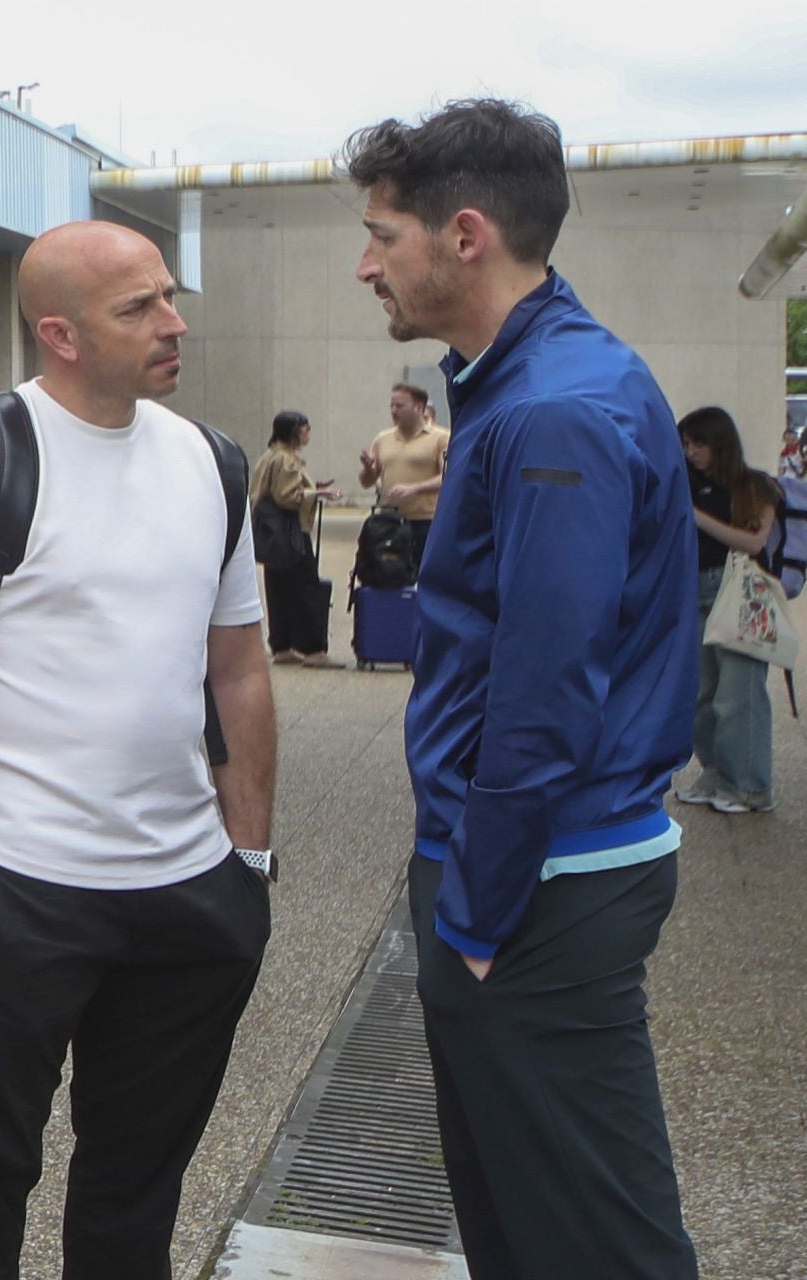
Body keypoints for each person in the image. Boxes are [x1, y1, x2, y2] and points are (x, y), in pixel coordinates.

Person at [0, 219, 274, 1279]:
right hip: (24, 890)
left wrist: (251, 860)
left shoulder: (212, 461)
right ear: (57, 332)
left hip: (190, 896)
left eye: (167, 297)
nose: (172, 323)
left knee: (135, 1193)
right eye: (137, 307)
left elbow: (239, 668)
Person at [349, 99, 699, 1280]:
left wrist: (482, 914)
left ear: (461, 235)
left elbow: (546, 687)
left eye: (379, 234)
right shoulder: (515, 381)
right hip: (529, 874)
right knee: (524, 1224)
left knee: (597, 1240)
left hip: (541, 886)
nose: (364, 265)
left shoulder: (553, 405)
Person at [674, 406, 778, 814]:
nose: (691, 452)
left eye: (698, 444)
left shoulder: (755, 486)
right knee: (704, 694)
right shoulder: (684, 481)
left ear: (720, 443)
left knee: (740, 695)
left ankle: (751, 786)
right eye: (685, 444)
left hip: (739, 591)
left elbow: (753, 542)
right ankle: (716, 771)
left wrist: (695, 517)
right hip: (693, 589)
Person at [251, 410, 344, 667]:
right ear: (294, 431)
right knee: (306, 588)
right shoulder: (287, 460)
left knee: (278, 588)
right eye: (305, 428)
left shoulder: (269, 456)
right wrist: (319, 493)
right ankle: (313, 649)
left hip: (273, 535)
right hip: (292, 533)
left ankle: (281, 645)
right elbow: (287, 496)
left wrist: (313, 486)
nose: (308, 432)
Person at [357, 382, 449, 565]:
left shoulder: (441, 438)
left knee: (424, 576)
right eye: (391, 405)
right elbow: (366, 482)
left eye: (399, 406)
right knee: (389, 576)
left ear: (419, 407)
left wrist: (414, 489)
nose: (393, 411)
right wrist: (368, 468)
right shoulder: (383, 439)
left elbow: (449, 478)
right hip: (390, 521)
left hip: (426, 521)